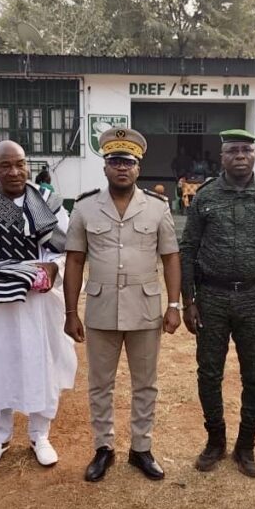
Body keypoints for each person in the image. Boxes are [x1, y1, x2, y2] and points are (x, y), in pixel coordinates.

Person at [64, 128, 182, 483]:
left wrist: (173, 304)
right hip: (101, 309)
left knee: (145, 384)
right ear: (104, 167)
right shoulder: (84, 208)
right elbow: (73, 261)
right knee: (100, 384)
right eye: (114, 161)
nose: (121, 168)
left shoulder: (158, 208)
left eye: (128, 162)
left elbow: (172, 258)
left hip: (145, 309)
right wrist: (71, 313)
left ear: (138, 168)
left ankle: (141, 448)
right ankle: (103, 448)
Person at [0, 140, 76, 469]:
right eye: (5, 166)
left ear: (27, 165)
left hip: (38, 302)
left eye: (20, 164)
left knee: (41, 364)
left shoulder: (47, 201)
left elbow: (65, 248)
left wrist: (52, 267)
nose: (14, 172)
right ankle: (0, 435)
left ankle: (40, 435)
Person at [180, 128, 255, 478]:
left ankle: (246, 446)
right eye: (233, 151)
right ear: (222, 156)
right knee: (209, 373)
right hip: (211, 297)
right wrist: (189, 300)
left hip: (254, 297)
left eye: (246, 150)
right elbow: (188, 248)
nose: (240, 156)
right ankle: (215, 441)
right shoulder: (205, 196)